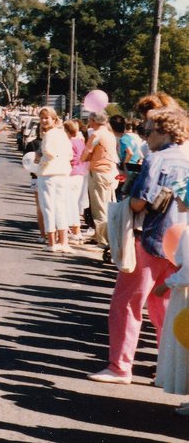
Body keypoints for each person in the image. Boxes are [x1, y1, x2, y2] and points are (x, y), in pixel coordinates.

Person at [89, 106, 189, 384]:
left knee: (127, 302)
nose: (144, 137)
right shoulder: (186, 160)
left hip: (150, 238)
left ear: (164, 131)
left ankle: (120, 366)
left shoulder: (156, 160)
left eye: (147, 130)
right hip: (181, 244)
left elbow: (139, 201)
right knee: (166, 307)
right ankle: (168, 369)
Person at [153, 226, 189, 412]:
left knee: (186, 350)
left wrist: (166, 284)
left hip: (185, 296)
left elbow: (187, 274)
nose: (176, 200)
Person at [35, 107, 73, 253]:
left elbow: (48, 153)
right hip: (63, 173)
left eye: (46, 118)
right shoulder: (63, 134)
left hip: (48, 174)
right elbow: (70, 155)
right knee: (61, 207)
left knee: (48, 208)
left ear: (54, 119)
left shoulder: (49, 135)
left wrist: (40, 160)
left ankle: (51, 242)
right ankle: (63, 242)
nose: (44, 121)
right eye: (42, 118)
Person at [82, 111, 119, 246]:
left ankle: (103, 239)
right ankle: (102, 235)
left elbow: (87, 152)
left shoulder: (96, 135)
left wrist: (84, 158)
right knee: (107, 203)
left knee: (99, 207)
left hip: (98, 171)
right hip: (110, 171)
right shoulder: (110, 135)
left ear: (93, 120)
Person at [63, 119, 89, 246]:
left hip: (71, 174)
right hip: (80, 173)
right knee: (74, 203)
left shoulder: (69, 143)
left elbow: (71, 159)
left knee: (70, 203)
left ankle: (75, 230)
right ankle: (74, 230)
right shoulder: (80, 142)